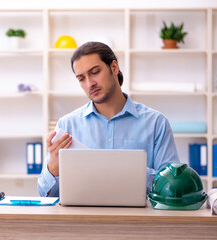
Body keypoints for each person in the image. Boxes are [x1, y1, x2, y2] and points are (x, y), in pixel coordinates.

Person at [38, 41, 180, 197]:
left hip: (137, 219)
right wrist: (53, 167)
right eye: (81, 79)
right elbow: (46, 195)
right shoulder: (67, 125)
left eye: (95, 72)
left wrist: (123, 169)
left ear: (114, 67)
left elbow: (172, 187)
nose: (89, 83)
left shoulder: (156, 123)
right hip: (81, 219)